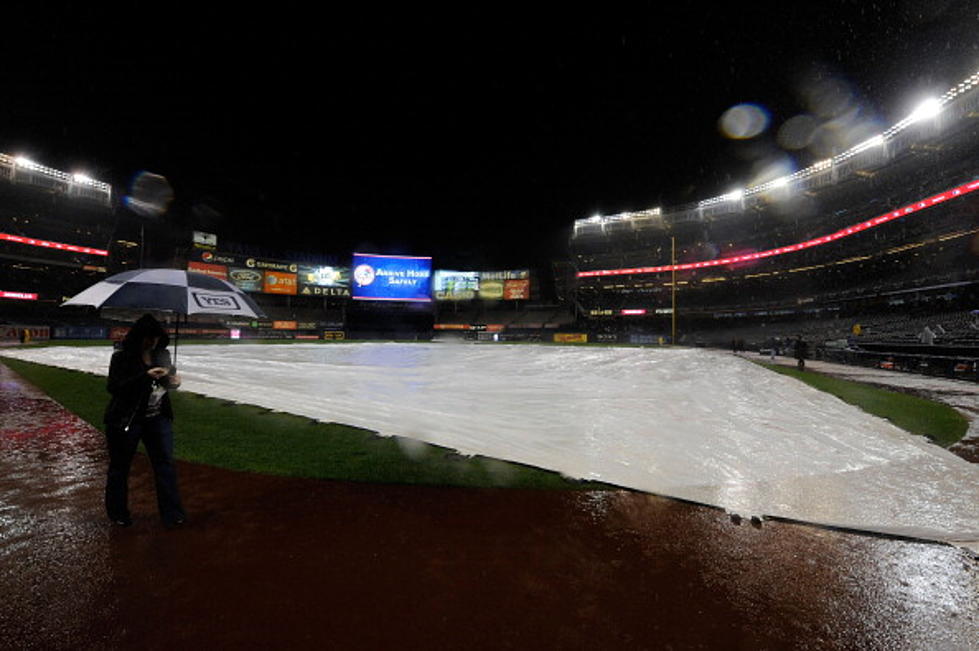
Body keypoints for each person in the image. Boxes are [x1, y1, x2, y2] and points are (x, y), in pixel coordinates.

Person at [103, 314, 186, 528]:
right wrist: (146, 376)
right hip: (127, 419)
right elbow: (115, 388)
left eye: (156, 338)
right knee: (120, 467)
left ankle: (173, 514)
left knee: (165, 466)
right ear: (138, 336)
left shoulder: (163, 354)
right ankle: (118, 513)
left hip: (157, 419)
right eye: (148, 338)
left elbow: (166, 384)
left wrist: (173, 382)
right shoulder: (122, 357)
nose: (152, 342)